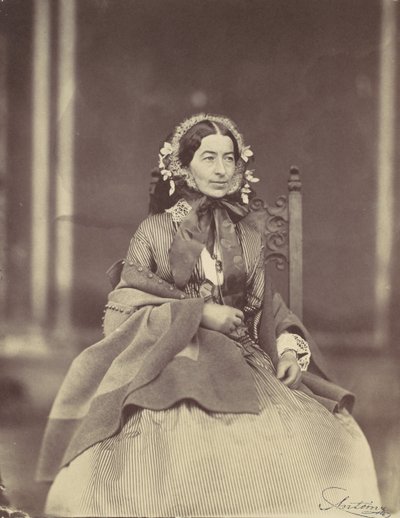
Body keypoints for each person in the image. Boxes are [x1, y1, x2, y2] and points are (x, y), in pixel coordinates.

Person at [37, 114, 381, 517]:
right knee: (169, 454)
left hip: (243, 358)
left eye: (229, 158)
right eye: (208, 158)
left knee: (314, 443)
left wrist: (288, 350)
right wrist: (199, 314)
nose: (221, 170)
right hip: (170, 356)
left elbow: (264, 305)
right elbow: (125, 306)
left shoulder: (247, 236)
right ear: (185, 167)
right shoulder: (154, 231)